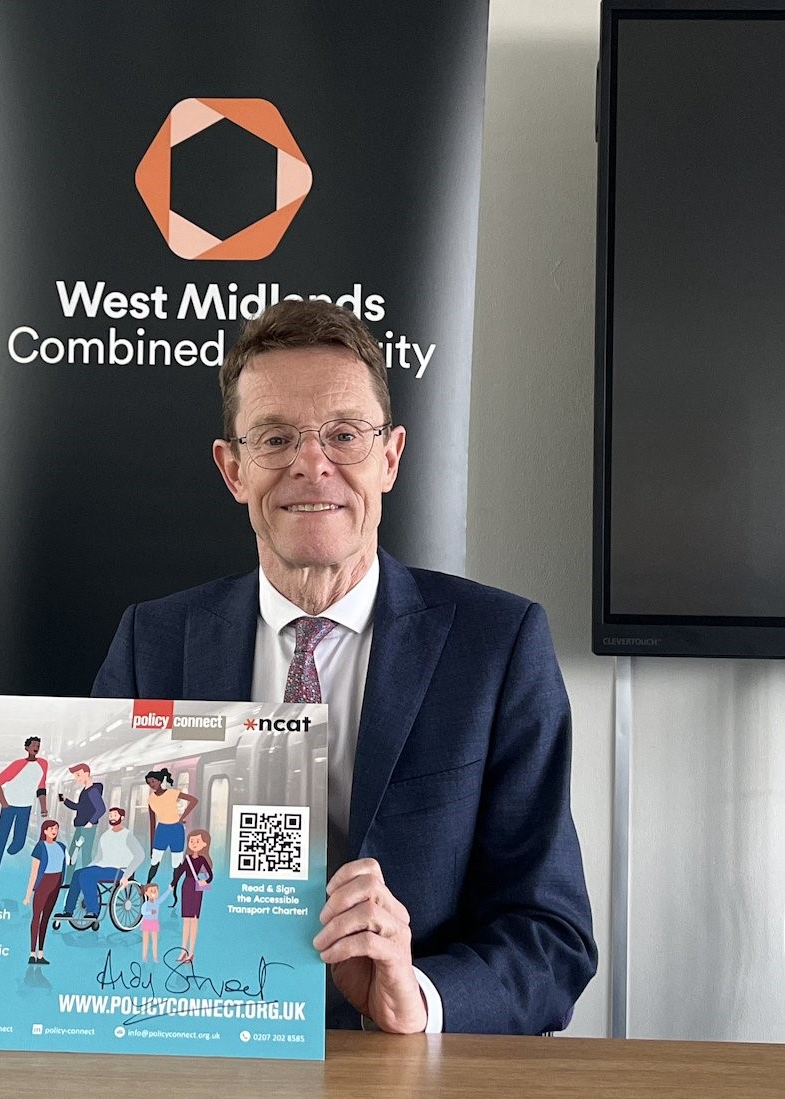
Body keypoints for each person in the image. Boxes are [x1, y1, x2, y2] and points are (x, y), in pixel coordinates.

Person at [92, 299, 596, 1035]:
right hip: (197, 1062)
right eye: (275, 437)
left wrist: (414, 996)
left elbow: (550, 937)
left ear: (389, 458)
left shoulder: (497, 646)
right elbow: (100, 861)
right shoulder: (154, 642)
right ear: (233, 470)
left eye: (344, 435)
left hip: (413, 1091)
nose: (311, 462)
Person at [56, 806, 144, 922]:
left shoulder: (127, 835)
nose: (112, 818)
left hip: (119, 870)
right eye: (111, 816)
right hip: (102, 867)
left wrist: (127, 875)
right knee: (78, 874)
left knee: (87, 875)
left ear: (122, 818)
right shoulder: (105, 835)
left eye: (115, 815)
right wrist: (88, 868)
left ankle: (93, 910)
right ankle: (68, 911)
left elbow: (140, 855)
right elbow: (99, 857)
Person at [0, 736, 49, 888]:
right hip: (9, 807)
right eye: (33, 745)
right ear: (26, 748)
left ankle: (12, 850)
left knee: (19, 842)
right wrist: (4, 804)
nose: (36, 747)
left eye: (38, 745)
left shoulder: (43, 764)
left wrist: (43, 807)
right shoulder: (17, 764)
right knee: (0, 842)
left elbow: (41, 786)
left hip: (25, 808)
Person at [141, 768, 198, 890]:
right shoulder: (151, 799)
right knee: (154, 862)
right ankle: (147, 884)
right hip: (161, 830)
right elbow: (152, 822)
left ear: (160, 781)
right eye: (149, 783)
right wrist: (151, 845)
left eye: (153, 781)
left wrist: (182, 816)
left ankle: (174, 889)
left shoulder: (172, 793)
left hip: (176, 830)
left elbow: (193, 800)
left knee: (176, 863)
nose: (151, 785)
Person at [22, 818, 67, 964]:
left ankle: (40, 954)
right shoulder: (40, 847)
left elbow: (69, 862)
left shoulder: (61, 846)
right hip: (43, 884)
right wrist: (28, 894)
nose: (55, 831)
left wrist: (77, 847)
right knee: (36, 917)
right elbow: (34, 872)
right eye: (52, 829)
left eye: (56, 829)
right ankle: (31, 953)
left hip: (56, 883)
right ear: (45, 831)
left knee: (46, 918)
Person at [55, 762, 105, 885]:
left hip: (87, 827)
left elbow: (101, 809)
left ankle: (86, 881)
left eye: (78, 775)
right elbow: (79, 807)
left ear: (87, 773)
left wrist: (90, 822)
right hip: (80, 826)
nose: (76, 778)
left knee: (85, 855)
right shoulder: (86, 790)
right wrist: (65, 800)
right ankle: (68, 881)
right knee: (74, 853)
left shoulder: (93, 791)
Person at [171, 828, 214, 964]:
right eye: (191, 841)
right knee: (186, 920)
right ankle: (183, 950)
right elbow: (180, 872)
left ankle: (191, 952)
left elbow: (210, 875)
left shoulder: (202, 859)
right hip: (187, 886)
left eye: (197, 841)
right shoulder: (187, 858)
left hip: (197, 888)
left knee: (194, 920)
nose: (194, 843)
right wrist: (173, 883)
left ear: (204, 844)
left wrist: (205, 881)